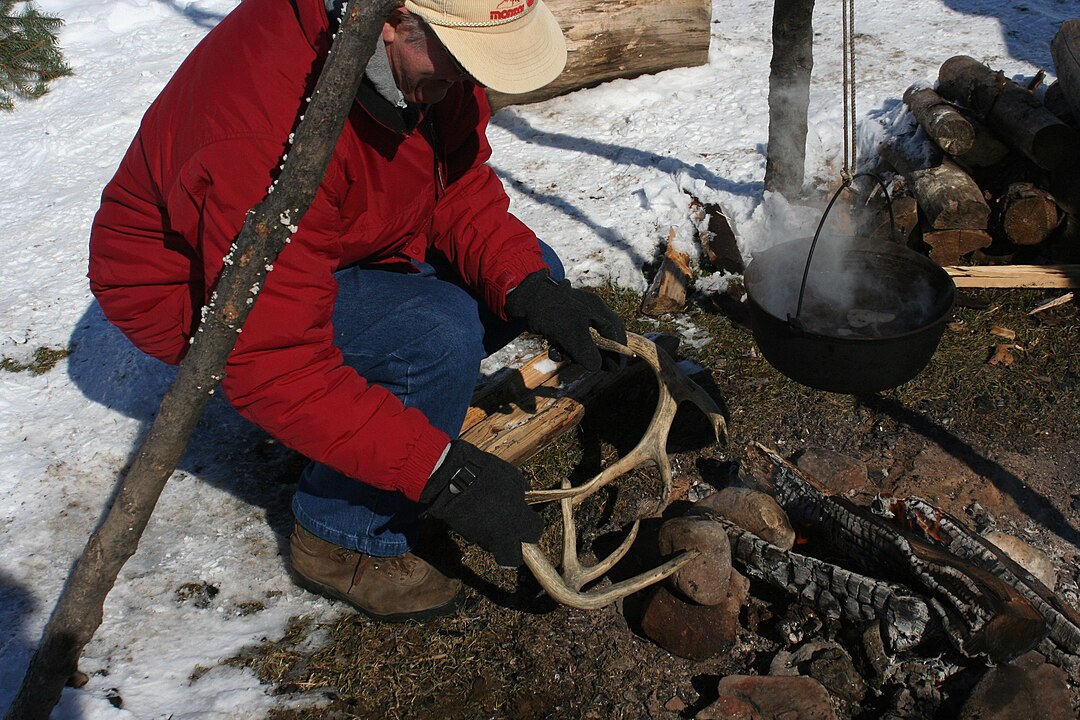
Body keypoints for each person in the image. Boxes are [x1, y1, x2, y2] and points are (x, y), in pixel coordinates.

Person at [87, 0, 627, 622]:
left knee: (532, 272)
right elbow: (274, 361)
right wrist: (439, 472)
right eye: (460, 59)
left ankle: (364, 417)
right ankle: (343, 538)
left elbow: (451, 182)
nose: (468, 82)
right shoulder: (269, 134)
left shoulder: (410, 59)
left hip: (337, 227)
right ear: (394, 20)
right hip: (200, 287)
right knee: (434, 337)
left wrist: (529, 286)